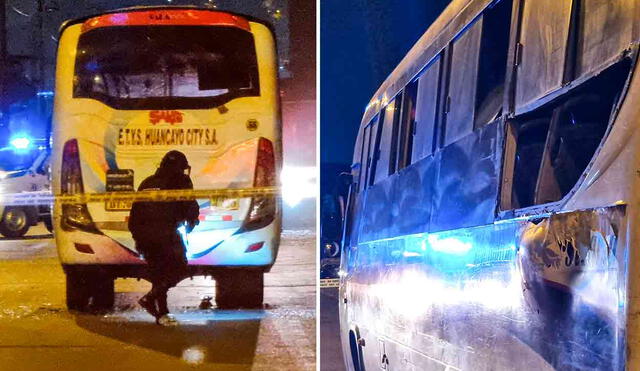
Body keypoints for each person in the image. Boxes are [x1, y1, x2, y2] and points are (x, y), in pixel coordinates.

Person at [128, 150, 199, 325]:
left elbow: (135, 214)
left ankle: (162, 314)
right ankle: (150, 298)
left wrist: (138, 238)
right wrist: (191, 220)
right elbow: (189, 207)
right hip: (166, 235)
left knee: (159, 275)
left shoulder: (147, 182)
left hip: (144, 236)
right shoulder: (180, 182)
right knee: (179, 268)